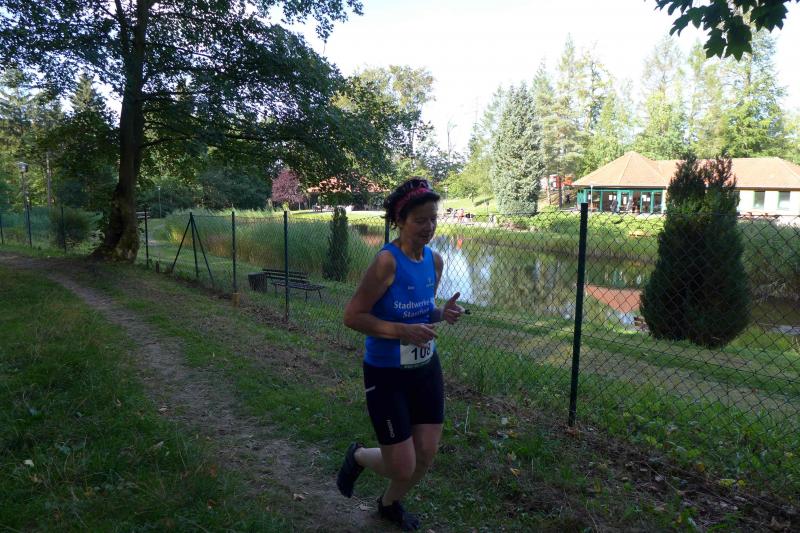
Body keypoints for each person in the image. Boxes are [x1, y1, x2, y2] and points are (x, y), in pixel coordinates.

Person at [337, 178, 464, 531]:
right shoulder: (386, 262)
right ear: (399, 220)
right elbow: (353, 316)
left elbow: (422, 311)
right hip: (386, 374)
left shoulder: (434, 261)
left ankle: (388, 504)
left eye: (433, 218)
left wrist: (441, 314)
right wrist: (401, 331)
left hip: (425, 368)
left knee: (426, 453)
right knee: (401, 465)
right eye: (420, 220)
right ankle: (358, 456)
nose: (429, 227)